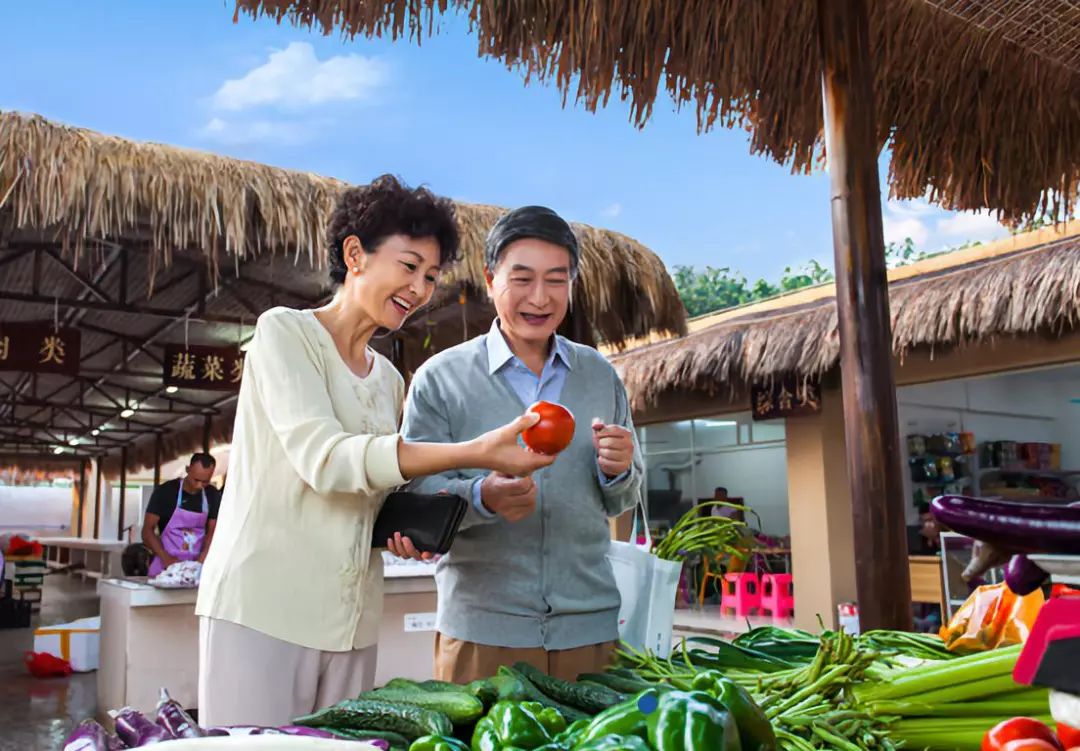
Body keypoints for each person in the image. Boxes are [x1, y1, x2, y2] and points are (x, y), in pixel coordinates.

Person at [195, 176, 553, 728]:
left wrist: (429, 516)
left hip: (352, 620)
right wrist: (478, 450)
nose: (420, 288)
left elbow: (378, 488)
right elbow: (328, 460)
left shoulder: (388, 379)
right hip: (263, 608)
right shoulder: (284, 334)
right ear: (355, 254)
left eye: (432, 277)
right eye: (409, 267)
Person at [401, 205, 644, 683]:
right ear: (491, 279)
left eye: (557, 280)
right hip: (482, 633)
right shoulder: (441, 380)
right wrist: (481, 498)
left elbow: (623, 498)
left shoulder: (598, 374)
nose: (540, 297)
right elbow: (416, 499)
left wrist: (619, 470)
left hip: (589, 631)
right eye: (522, 278)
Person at [142, 453, 220, 577]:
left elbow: (212, 533)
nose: (199, 486)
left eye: (205, 482)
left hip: (197, 568)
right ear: (187, 470)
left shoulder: (213, 495)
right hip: (165, 566)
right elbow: (147, 531)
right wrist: (167, 559)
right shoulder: (165, 492)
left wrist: (199, 564)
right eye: (196, 480)